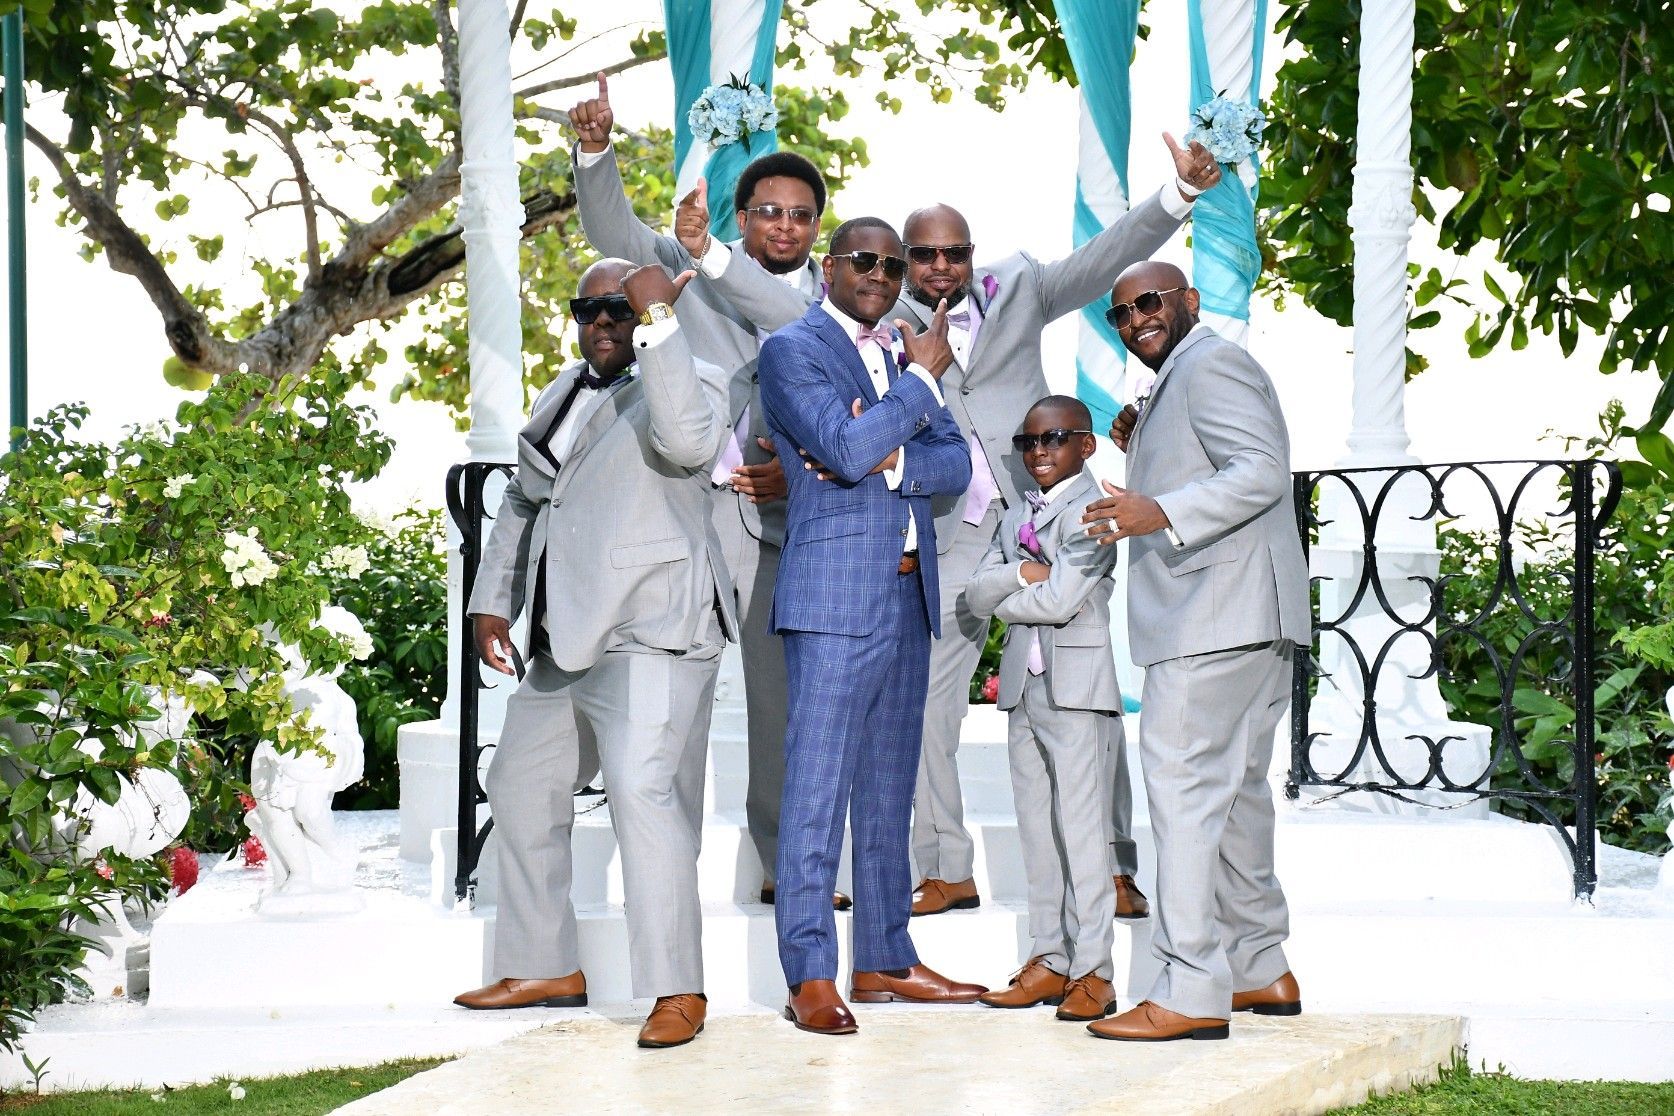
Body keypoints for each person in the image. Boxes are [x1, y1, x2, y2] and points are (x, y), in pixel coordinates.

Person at [685, 134, 1226, 916]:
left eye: (954, 252)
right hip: (943, 527)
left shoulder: (1022, 289)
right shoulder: (874, 310)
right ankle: (943, 866)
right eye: (920, 255)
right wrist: (709, 256)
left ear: (971, 255)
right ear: (900, 260)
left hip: (1044, 512)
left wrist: (1176, 196)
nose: (939, 267)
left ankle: (1111, 868)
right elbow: (778, 307)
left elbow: (1107, 256)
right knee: (931, 702)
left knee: (1085, 688)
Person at [567, 74, 849, 911]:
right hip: (680, 527)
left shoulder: (839, 303)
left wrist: (794, 479)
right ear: (742, 216)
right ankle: (666, 881)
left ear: (815, 228)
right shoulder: (689, 265)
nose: (786, 226)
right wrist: (595, 152)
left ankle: (784, 863)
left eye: (801, 215)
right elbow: (613, 230)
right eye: (769, 211)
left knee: (782, 709)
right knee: (671, 719)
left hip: (781, 536)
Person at [451, 260, 735, 1051]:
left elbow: (686, 444)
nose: (605, 323)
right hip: (565, 634)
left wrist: (662, 327)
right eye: (590, 309)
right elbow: (523, 497)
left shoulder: (692, 376)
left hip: (654, 627)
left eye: (621, 309)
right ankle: (546, 965)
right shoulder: (558, 392)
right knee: (517, 780)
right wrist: (490, 599)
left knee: (643, 794)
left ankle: (677, 988)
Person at [758, 217, 986, 1035]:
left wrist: (892, 453)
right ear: (829, 266)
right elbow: (843, 448)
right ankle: (810, 972)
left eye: (894, 264)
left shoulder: (897, 353)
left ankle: (885, 958)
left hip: (907, 593)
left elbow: (955, 466)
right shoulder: (795, 350)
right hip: (831, 599)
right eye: (867, 260)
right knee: (817, 792)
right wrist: (913, 398)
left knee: (889, 792)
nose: (884, 274)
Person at [1079, 261, 1310, 1042]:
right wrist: (1144, 446)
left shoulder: (1212, 362)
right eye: (1122, 313)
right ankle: (1258, 969)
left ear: (1188, 302)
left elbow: (1262, 473)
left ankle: (1189, 988)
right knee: (1238, 799)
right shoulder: (1186, 373)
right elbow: (1223, 461)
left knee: (1182, 798)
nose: (1138, 317)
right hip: (1247, 614)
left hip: (1212, 616)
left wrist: (1159, 510)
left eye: (1151, 301)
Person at [965, 396, 1131, 1023]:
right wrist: (1025, 575)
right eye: (1027, 441)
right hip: (1024, 689)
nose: (1038, 452)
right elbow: (976, 593)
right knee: (1037, 829)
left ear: (1086, 446)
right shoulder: (1015, 514)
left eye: (1055, 439)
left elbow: (1061, 600)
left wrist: (1021, 580)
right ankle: (1050, 958)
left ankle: (1094, 970)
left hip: (1077, 689)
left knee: (1083, 833)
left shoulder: (1096, 511)